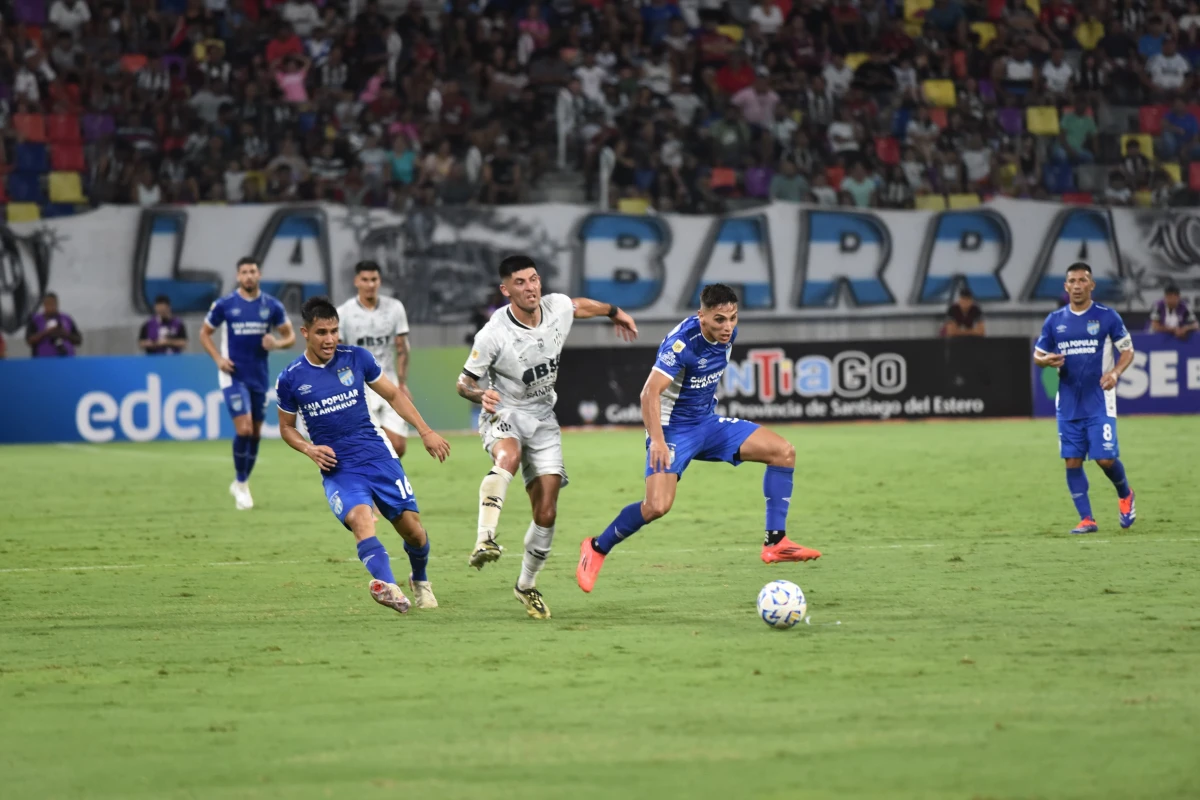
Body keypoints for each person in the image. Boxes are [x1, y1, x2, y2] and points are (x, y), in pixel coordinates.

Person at [576, 283, 821, 595]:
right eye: (719, 319)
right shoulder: (681, 345)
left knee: (783, 452)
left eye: (733, 318)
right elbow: (649, 393)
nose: (728, 327)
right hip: (672, 430)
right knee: (657, 506)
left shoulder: (729, 333)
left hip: (708, 424)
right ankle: (596, 547)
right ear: (701, 316)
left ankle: (776, 542)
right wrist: (659, 440)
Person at [456, 254, 639, 619]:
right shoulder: (493, 334)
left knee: (547, 511)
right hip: (504, 412)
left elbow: (579, 306)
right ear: (505, 290)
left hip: (543, 419)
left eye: (534, 279)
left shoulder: (554, 307)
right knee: (506, 457)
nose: (530, 288)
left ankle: (526, 585)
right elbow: (464, 382)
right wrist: (480, 395)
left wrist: (613, 310)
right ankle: (484, 539)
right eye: (520, 283)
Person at [276, 297, 451, 614]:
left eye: (333, 331)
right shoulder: (291, 378)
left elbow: (394, 394)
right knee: (361, 519)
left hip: (377, 456)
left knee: (413, 530)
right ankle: (390, 588)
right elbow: (286, 428)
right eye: (321, 332)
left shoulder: (356, 358)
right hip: (338, 467)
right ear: (305, 332)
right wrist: (309, 448)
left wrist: (425, 431)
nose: (329, 339)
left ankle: (420, 579)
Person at [1033, 262, 1137, 534]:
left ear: (1092, 285)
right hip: (1067, 402)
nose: (1077, 285)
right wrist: (1045, 361)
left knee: (1104, 459)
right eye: (1072, 281)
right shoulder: (1055, 320)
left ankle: (1125, 494)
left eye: (1082, 280)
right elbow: (1038, 355)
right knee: (1072, 460)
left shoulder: (1107, 317)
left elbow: (1127, 351)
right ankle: (1087, 519)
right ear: (1065, 286)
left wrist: (1115, 372)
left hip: (1100, 400)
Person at [199, 258, 296, 511]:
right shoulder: (225, 304)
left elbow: (290, 336)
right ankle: (241, 484)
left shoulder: (271, 306)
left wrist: (276, 343)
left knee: (254, 433)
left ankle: (242, 482)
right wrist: (218, 359)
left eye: (252, 271)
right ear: (238, 276)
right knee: (243, 429)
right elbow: (204, 333)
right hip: (233, 374)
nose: (249, 276)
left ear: (259, 274)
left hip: (259, 376)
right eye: (244, 272)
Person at [336, 261, 411, 458]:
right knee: (369, 445)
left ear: (379, 281)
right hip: (360, 386)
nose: (370, 284)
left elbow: (402, 348)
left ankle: (377, 478)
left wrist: (402, 383)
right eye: (365, 280)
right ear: (356, 281)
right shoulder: (343, 313)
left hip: (389, 382)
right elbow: (339, 355)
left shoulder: (395, 308)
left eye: (374, 279)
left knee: (398, 446)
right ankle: (375, 485)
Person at [26, 293, 82, 357]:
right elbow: (29, 341)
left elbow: (78, 340)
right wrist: (46, 332)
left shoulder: (66, 319)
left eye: (53, 304)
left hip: (66, 360)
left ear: (57, 304)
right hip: (42, 361)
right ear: (44, 305)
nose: (51, 307)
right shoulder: (36, 320)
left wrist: (65, 333)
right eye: (48, 304)